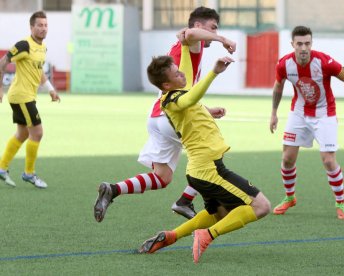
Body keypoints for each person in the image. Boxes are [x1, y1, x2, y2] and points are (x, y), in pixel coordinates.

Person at [93, 7, 236, 222]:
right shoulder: (191, 41)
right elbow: (192, 34)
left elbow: (182, 95)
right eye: (213, 27)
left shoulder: (181, 45)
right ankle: (185, 201)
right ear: (198, 25)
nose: (214, 33)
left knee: (162, 177)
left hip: (158, 116)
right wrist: (221, 38)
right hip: (172, 119)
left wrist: (206, 110)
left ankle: (113, 189)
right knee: (212, 153)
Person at [138, 45, 270, 264]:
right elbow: (189, 100)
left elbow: (189, 88)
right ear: (166, 85)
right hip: (209, 169)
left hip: (201, 170)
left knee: (219, 214)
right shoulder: (170, 100)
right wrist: (214, 72)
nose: (181, 73)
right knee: (261, 206)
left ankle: (171, 236)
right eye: (176, 73)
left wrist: (186, 46)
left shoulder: (178, 92)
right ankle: (207, 235)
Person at [269, 26, 344, 220]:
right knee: (287, 158)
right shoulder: (284, 64)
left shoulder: (324, 61)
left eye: (307, 43)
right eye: (299, 43)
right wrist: (274, 113)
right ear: (292, 44)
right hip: (298, 113)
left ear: (312, 43)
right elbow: (278, 88)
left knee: (328, 160)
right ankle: (290, 197)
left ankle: (340, 203)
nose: (303, 48)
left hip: (324, 114)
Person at [0, 11, 60, 189]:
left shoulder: (42, 47)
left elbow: (39, 71)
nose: (43, 28)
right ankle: (29, 173)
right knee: (38, 133)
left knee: (23, 133)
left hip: (26, 97)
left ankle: (2, 167)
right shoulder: (24, 45)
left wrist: (51, 90)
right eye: (39, 25)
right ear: (31, 27)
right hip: (21, 96)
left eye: (45, 25)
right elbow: (3, 61)